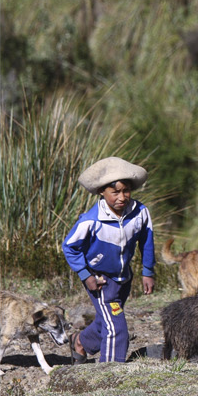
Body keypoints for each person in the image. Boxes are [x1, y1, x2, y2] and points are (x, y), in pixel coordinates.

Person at [61, 156, 155, 363]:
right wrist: (86, 275)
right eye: (116, 192)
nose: (122, 197)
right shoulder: (91, 221)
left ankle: (81, 342)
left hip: (124, 278)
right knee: (117, 327)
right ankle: (111, 371)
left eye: (126, 191)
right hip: (100, 280)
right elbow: (69, 247)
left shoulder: (140, 213)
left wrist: (148, 271)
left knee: (108, 319)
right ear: (102, 192)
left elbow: (147, 241)